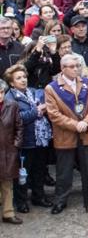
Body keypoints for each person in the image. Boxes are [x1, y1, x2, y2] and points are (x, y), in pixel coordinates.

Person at [43, 53, 88, 214]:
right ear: (63, 69)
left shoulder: (86, 82)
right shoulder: (52, 88)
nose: (76, 69)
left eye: (78, 66)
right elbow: (54, 114)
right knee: (64, 170)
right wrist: (75, 125)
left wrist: (86, 122)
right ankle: (61, 199)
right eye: (72, 67)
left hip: (86, 131)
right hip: (65, 136)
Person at [5, 65, 51, 212]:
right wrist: (37, 111)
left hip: (40, 139)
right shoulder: (9, 97)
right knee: (23, 173)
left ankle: (39, 196)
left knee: (39, 170)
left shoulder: (33, 92)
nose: (23, 80)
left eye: (24, 77)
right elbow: (17, 118)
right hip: (24, 141)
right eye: (18, 78)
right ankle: (21, 201)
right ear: (11, 82)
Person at [0, 85, 22, 225]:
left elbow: (19, 127)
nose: (0, 95)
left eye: (1, 91)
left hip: (8, 151)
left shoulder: (12, 105)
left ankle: (8, 212)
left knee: (7, 183)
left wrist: (16, 145)